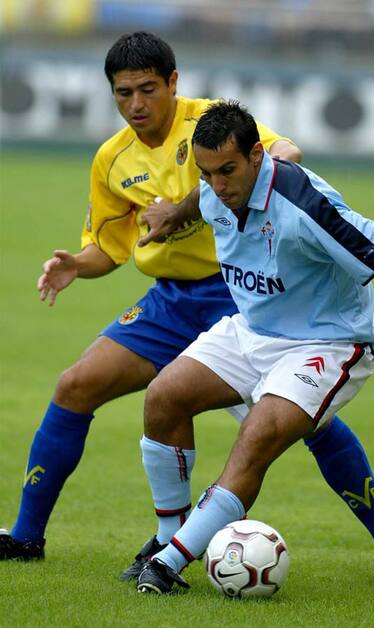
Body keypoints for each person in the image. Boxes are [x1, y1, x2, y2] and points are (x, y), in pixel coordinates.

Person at [0, 31, 301, 564]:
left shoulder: (210, 123)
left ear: (173, 82)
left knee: (306, 415)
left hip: (240, 295)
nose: (135, 104)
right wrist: (77, 264)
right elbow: (109, 248)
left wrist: (188, 203)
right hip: (170, 302)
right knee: (75, 386)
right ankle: (25, 538)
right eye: (122, 93)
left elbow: (284, 151)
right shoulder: (112, 160)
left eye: (147, 89)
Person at [136, 100, 374, 595]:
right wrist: (171, 215)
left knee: (260, 435)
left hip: (329, 340)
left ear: (256, 156)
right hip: (254, 330)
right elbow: (198, 200)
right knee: (164, 396)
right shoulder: (212, 190)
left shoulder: (303, 201)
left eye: (227, 171)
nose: (218, 186)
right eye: (207, 174)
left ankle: (166, 565)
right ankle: (167, 539)